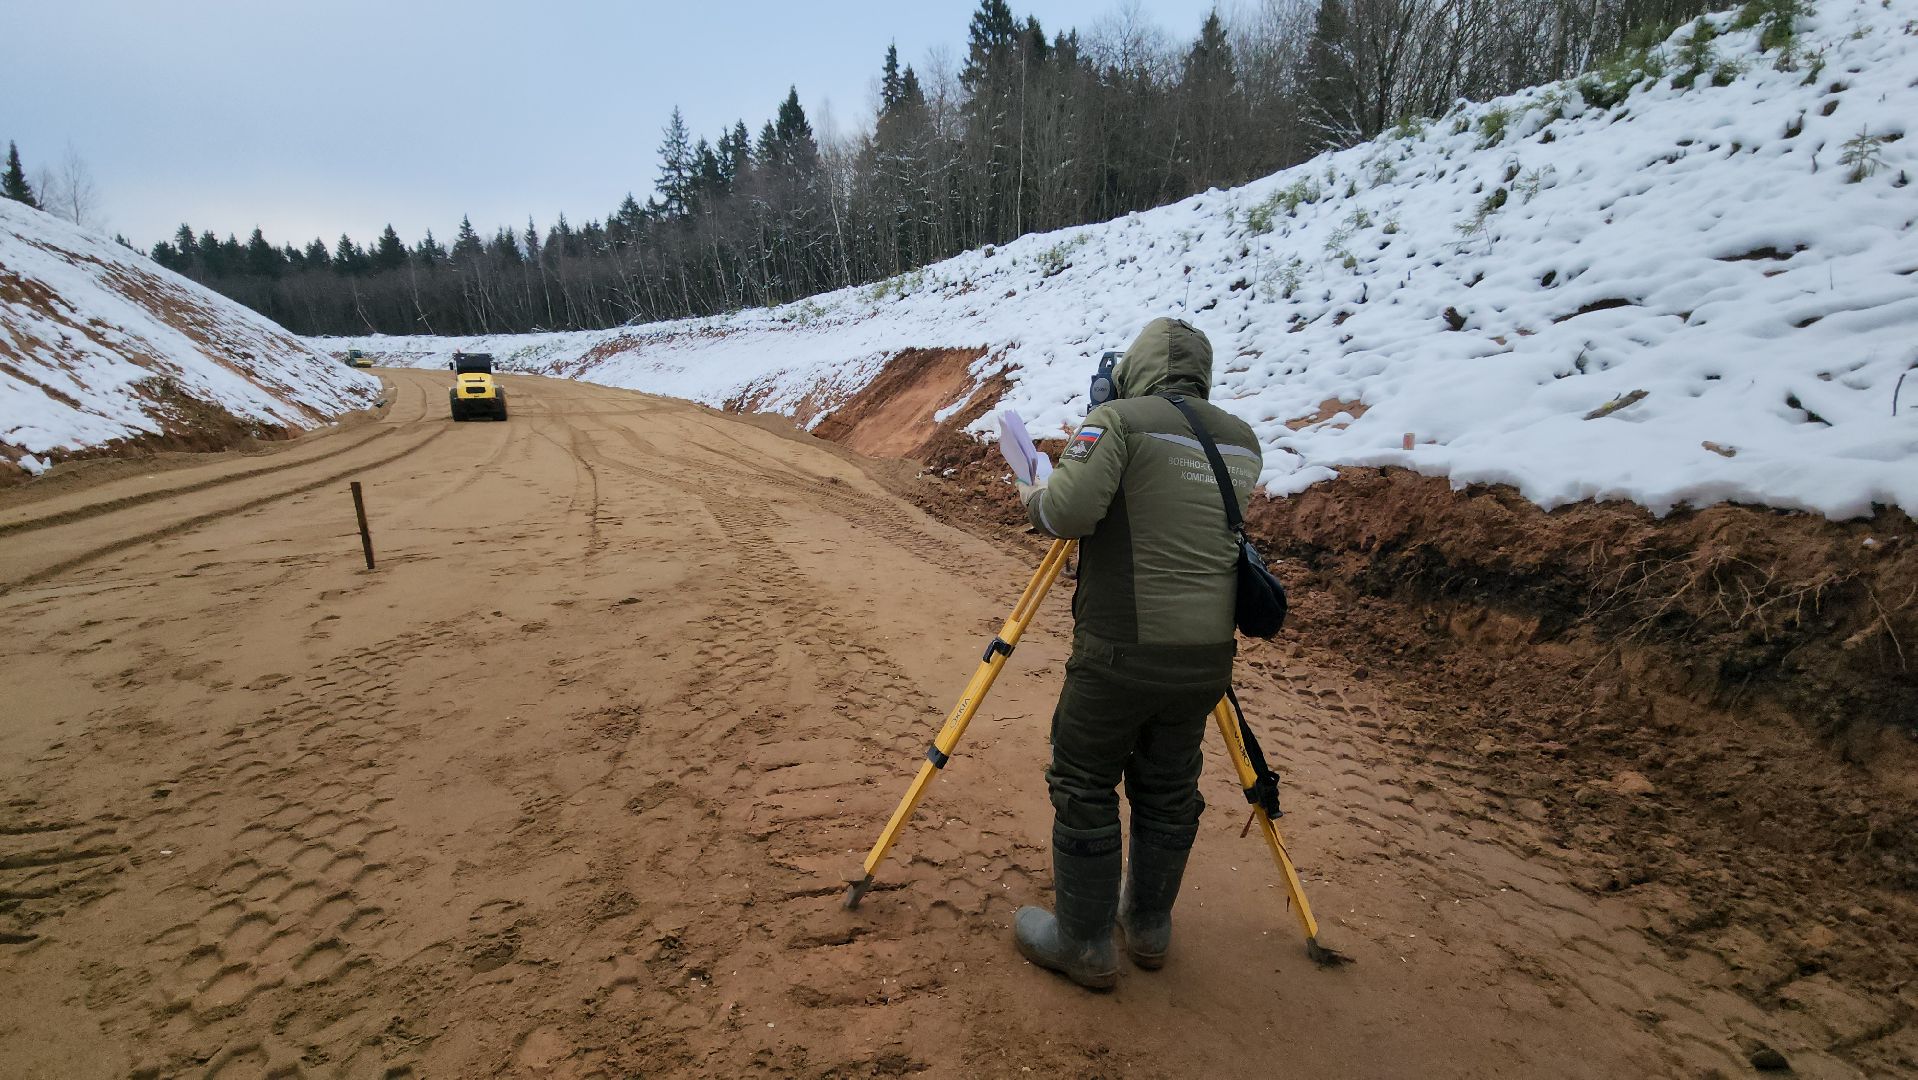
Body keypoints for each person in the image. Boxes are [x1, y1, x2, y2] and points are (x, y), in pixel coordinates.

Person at [1012, 317, 1261, 989]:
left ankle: (1084, 944)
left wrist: (1033, 490)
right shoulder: (1240, 439)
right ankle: (1148, 927)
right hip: (1205, 660)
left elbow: (1068, 514)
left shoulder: (1117, 422)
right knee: (1169, 787)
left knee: (1084, 781)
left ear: (1133, 369)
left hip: (1119, 651)